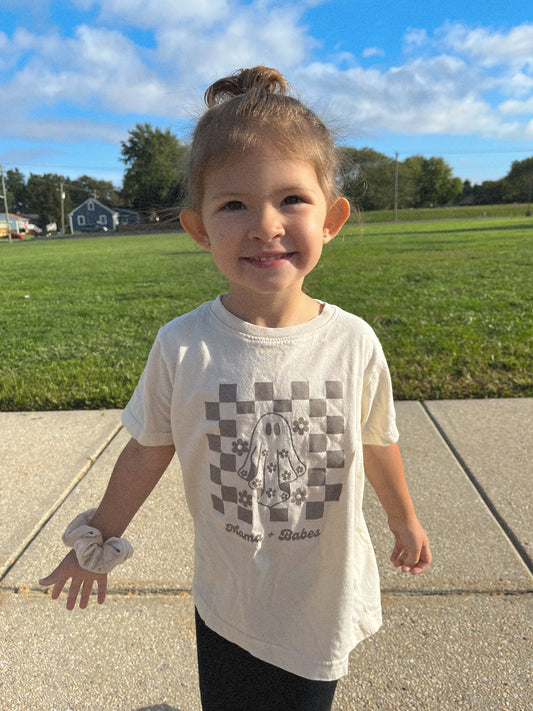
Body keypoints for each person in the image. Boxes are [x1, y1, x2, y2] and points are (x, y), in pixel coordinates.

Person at [40, 66, 431, 711]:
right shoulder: (183, 346)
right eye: (234, 205)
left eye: (292, 200)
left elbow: (377, 439)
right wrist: (98, 542)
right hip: (228, 595)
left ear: (332, 218)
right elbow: (146, 450)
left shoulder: (353, 342)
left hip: (319, 597)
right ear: (198, 228)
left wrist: (404, 517)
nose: (265, 225)